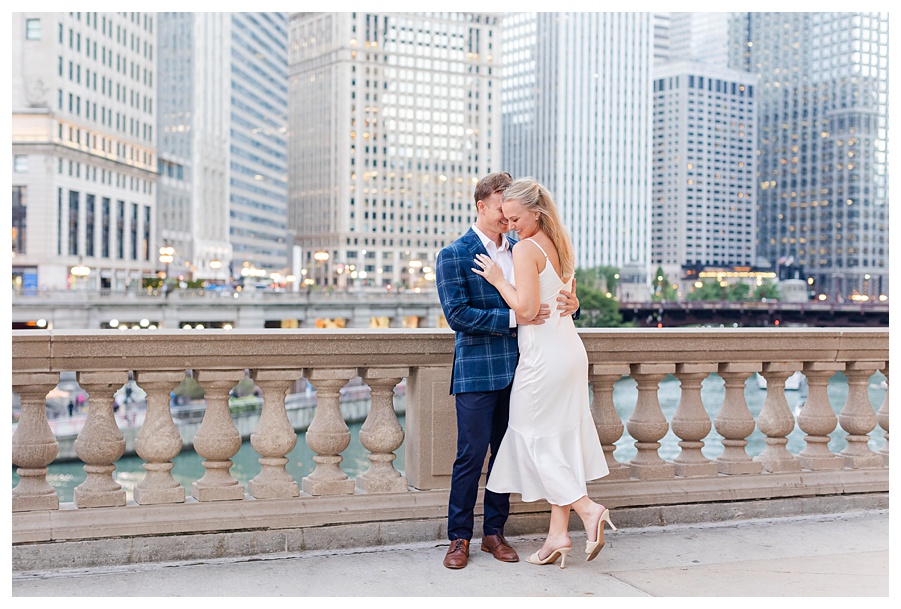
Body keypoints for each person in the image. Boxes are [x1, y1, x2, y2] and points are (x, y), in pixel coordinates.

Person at [435, 171, 580, 570]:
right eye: (502, 206)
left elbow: (550, 293)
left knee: (507, 455)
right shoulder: (453, 255)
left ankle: (494, 534)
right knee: (470, 455)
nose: (508, 215)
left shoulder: (525, 246)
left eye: (512, 209)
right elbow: (458, 315)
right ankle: (458, 537)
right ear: (482, 206)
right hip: (477, 372)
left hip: (526, 369)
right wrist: (517, 319)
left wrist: (573, 303)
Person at [472, 177, 615, 570]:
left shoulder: (525, 250)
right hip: (567, 350)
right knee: (558, 441)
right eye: (507, 218)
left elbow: (528, 309)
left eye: (516, 218)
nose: (511, 225)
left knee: (531, 438)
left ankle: (587, 510)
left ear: (535, 212)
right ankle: (557, 536)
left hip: (542, 358)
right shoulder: (558, 243)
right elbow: (562, 297)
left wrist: (500, 281)